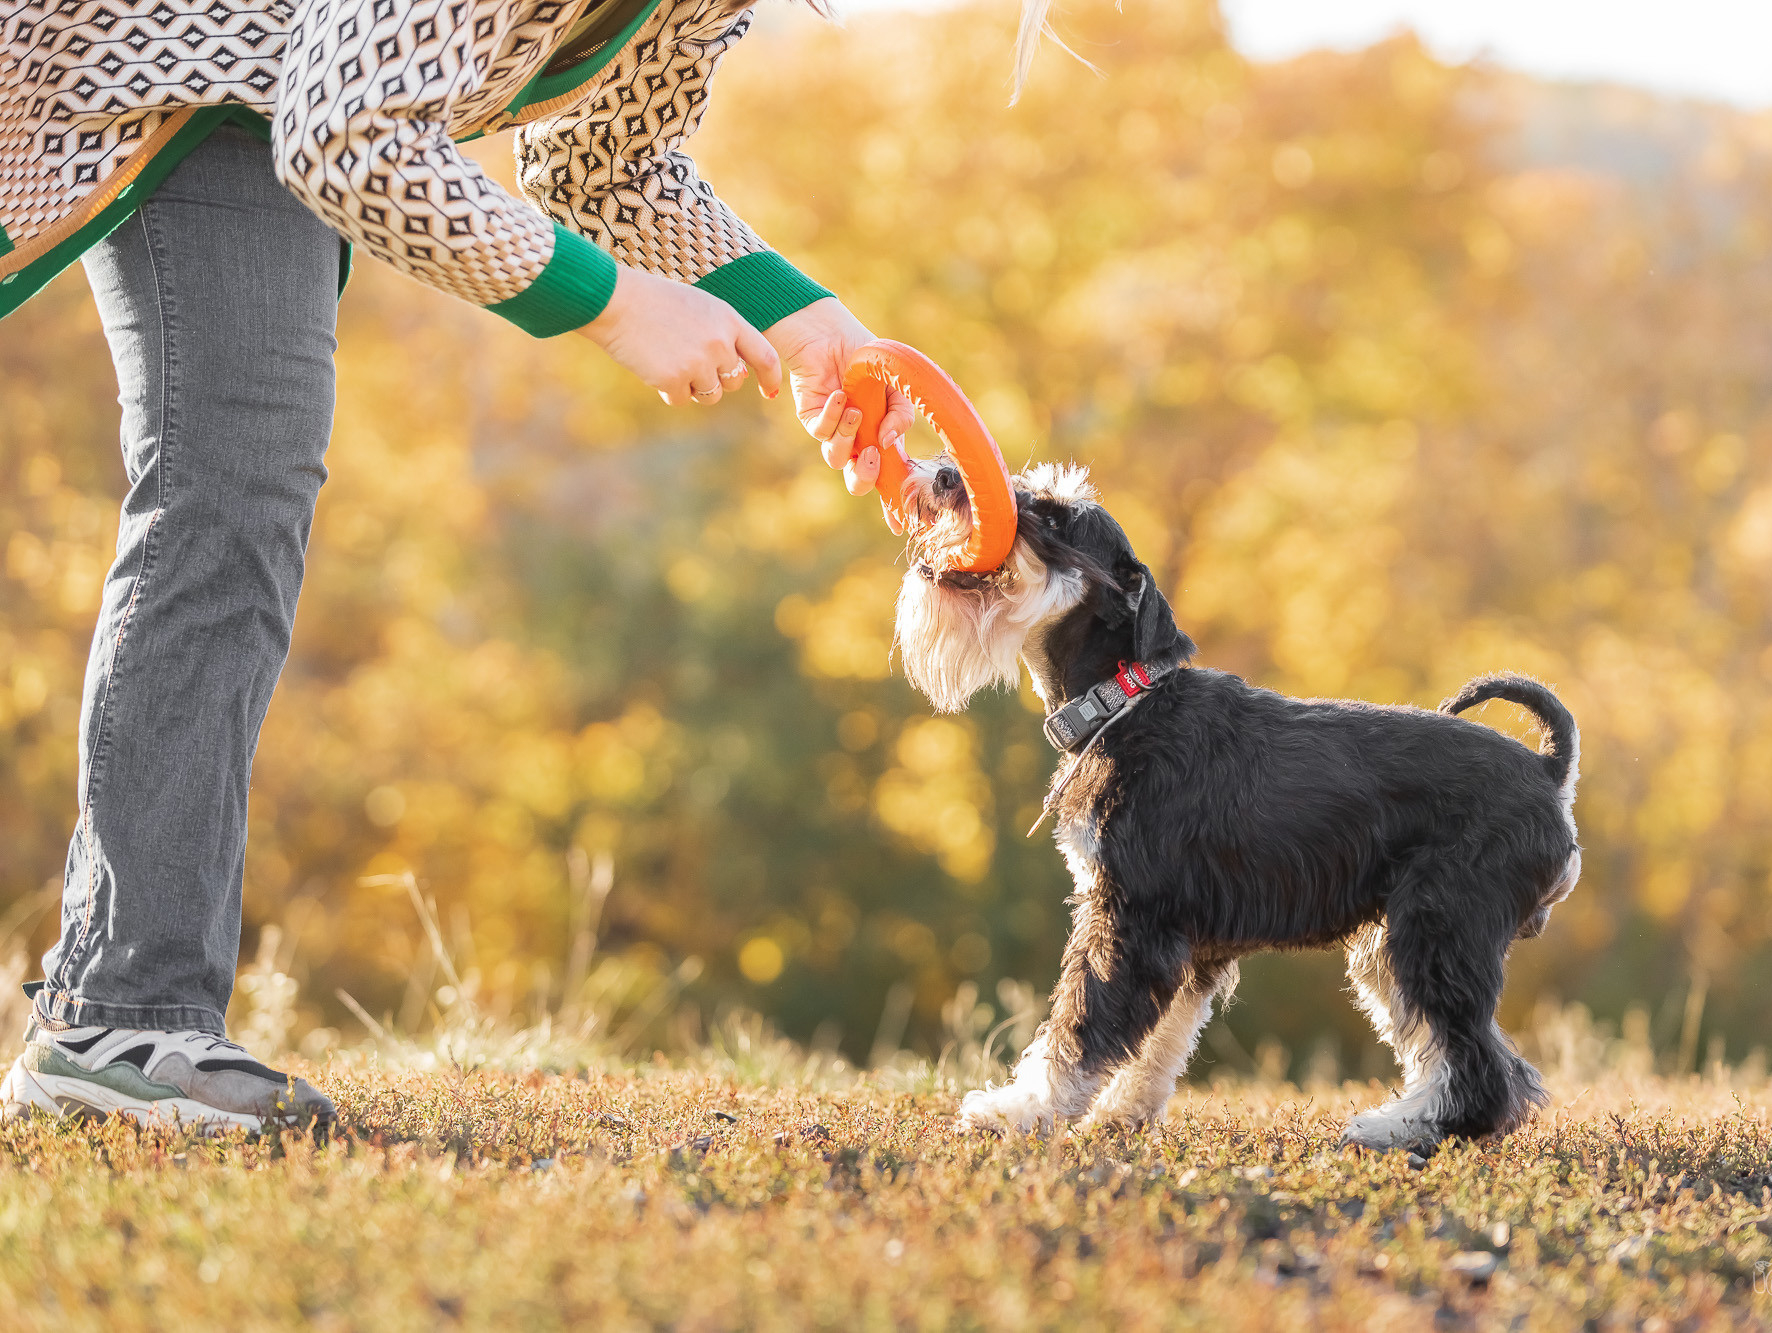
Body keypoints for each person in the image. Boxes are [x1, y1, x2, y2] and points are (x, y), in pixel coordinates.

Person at [0, 0, 1062, 1130]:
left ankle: (116, 1021)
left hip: (250, 101)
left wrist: (806, 324)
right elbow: (345, 136)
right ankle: (118, 1017)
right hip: (176, 65)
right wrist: (610, 305)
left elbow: (605, 162)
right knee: (227, 493)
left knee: (239, 491)